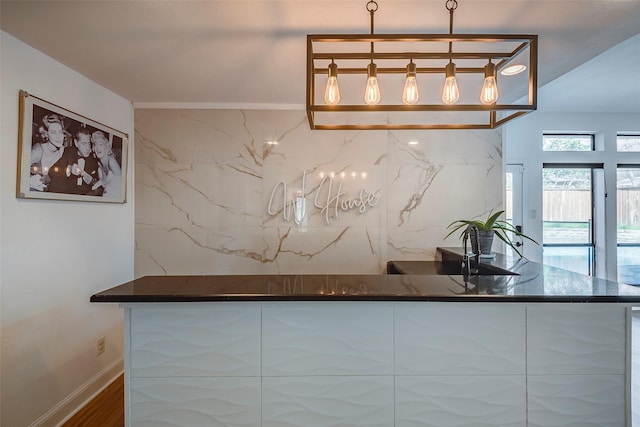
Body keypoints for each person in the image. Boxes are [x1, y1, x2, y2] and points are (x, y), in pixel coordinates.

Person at [47, 127, 101, 195]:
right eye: (84, 143)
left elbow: (99, 183)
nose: (88, 148)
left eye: (89, 143)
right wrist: (68, 169)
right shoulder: (68, 152)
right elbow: (52, 171)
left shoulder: (94, 159)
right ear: (76, 143)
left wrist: (92, 182)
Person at [29, 114, 69, 191]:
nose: (58, 136)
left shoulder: (64, 151)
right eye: (53, 132)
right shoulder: (37, 152)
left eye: (60, 132)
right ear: (46, 134)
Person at [91, 130, 122, 198]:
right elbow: (104, 184)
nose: (97, 148)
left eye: (101, 144)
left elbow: (123, 186)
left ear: (107, 147)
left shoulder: (111, 161)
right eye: (95, 145)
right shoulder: (99, 166)